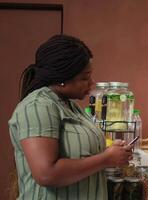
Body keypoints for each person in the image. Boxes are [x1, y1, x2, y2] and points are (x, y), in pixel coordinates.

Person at [8, 34, 132, 200]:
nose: (92, 83)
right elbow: (46, 173)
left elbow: (78, 154)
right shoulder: (38, 106)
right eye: (85, 77)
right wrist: (106, 159)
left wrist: (109, 151)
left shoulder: (69, 106)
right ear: (62, 79)